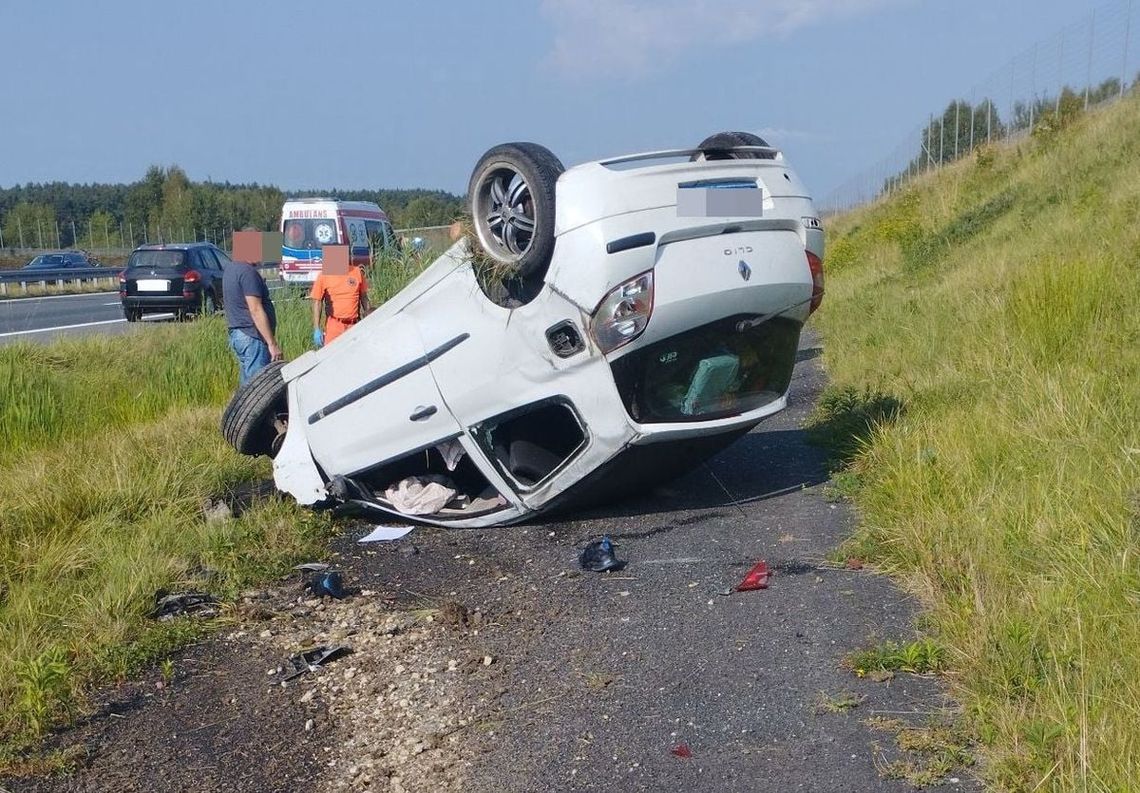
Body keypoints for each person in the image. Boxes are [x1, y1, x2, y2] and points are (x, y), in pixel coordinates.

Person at [223, 257, 282, 385]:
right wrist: (272, 344)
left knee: (247, 387)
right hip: (252, 336)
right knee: (257, 388)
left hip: (239, 333)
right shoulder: (248, 272)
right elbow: (255, 310)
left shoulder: (231, 268)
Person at [310, 262, 370, 347]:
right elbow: (317, 301)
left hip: (353, 325)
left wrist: (370, 316)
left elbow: (364, 297)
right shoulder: (324, 275)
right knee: (331, 357)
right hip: (334, 326)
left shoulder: (357, 272)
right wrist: (316, 328)